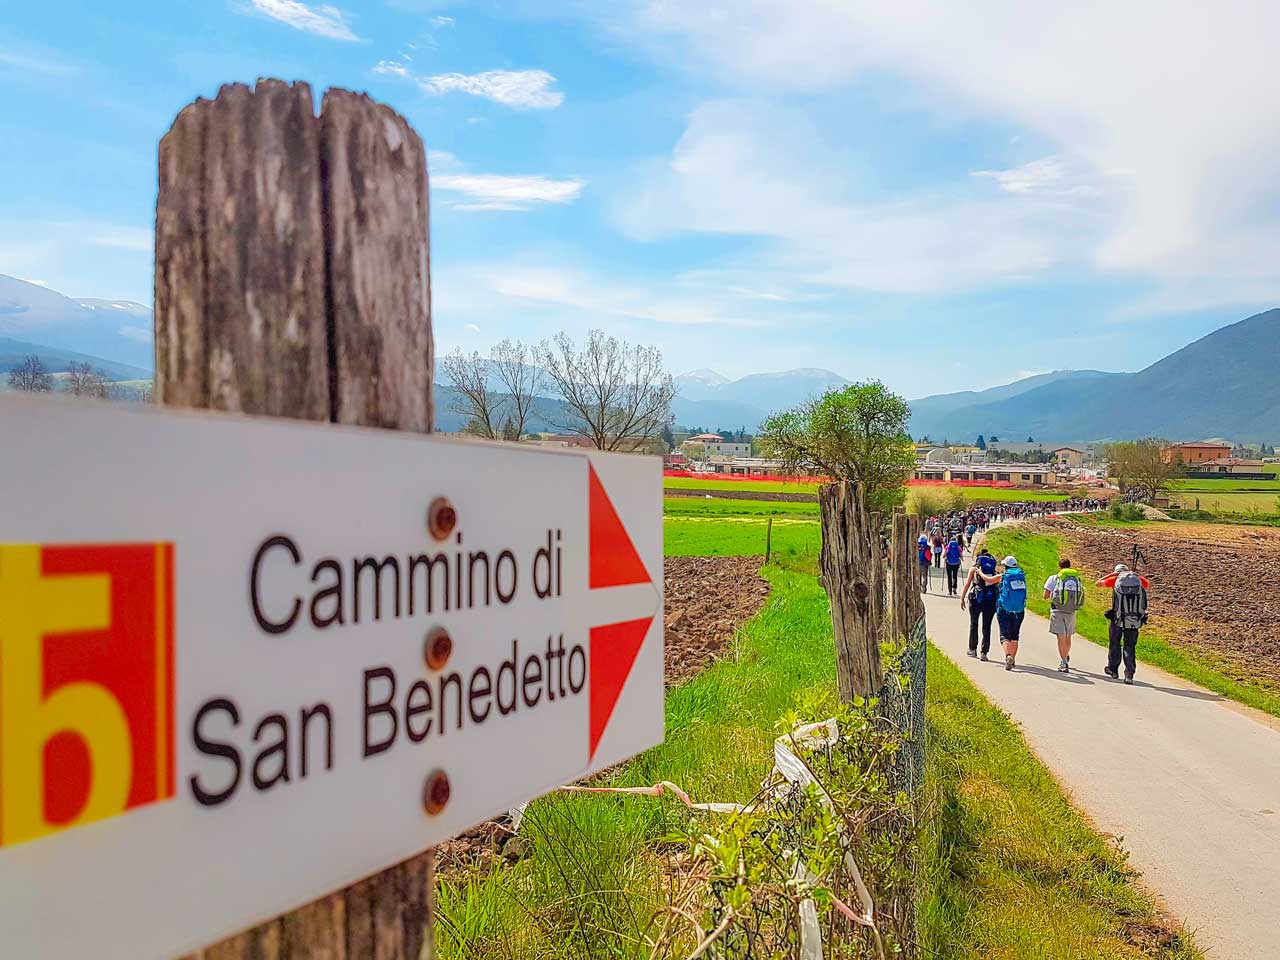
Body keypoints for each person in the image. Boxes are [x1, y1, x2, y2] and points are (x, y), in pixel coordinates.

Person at [1096, 563, 1150, 684]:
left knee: (1115, 643)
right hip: (1134, 619)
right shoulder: (1138, 580)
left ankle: (1113, 670)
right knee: (1129, 646)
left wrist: (1113, 574)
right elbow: (1148, 584)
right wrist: (1134, 575)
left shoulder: (1115, 579)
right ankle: (1129, 674)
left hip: (1118, 617)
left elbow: (1098, 583)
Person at [1043, 558, 1086, 673]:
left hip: (1057, 610)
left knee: (1060, 637)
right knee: (1068, 637)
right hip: (1071, 611)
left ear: (1059, 567)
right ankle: (1065, 655)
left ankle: (1064, 662)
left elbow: (1045, 596)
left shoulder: (1054, 578)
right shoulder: (1076, 579)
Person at [960, 549, 1001, 659]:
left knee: (974, 624)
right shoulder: (994, 572)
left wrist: (962, 597)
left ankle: (972, 649)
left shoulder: (974, 569)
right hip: (990, 600)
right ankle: (984, 652)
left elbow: (968, 584)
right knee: (987, 626)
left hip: (976, 599)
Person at [996, 554, 1028, 670]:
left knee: (1004, 635)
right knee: (1015, 635)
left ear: (1006, 566)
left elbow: (988, 579)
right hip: (1019, 609)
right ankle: (1013, 659)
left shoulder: (1003, 576)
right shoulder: (1021, 576)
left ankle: (1008, 655)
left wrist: (979, 572)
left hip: (1004, 608)